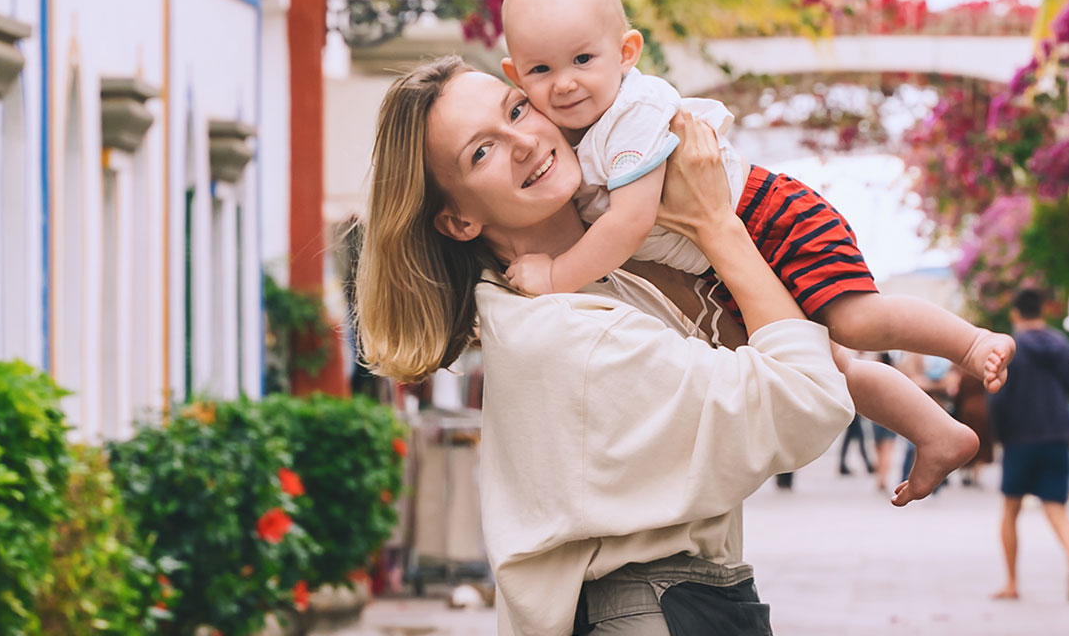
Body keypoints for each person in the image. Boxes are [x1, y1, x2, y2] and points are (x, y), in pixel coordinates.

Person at [352, 56, 847, 636]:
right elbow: (809, 399)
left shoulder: (600, 285)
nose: (522, 141)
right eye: (480, 152)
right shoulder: (574, 335)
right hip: (660, 610)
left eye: (516, 109)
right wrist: (717, 222)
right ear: (458, 220)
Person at [488, 0, 1000, 502]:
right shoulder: (566, 133)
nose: (564, 84)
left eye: (583, 59)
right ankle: (937, 432)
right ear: (515, 77)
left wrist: (555, 275)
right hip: (725, 261)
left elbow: (630, 223)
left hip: (769, 218)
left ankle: (969, 343)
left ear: (626, 52)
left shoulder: (630, 114)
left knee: (856, 320)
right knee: (833, 369)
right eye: (541, 71)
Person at [988, 287, 1069, 602]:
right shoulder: (1062, 346)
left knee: (1010, 510)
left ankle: (1011, 583)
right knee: (1056, 509)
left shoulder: (1013, 349)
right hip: (1057, 437)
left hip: (1020, 438)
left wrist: (1000, 436)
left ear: (1015, 314)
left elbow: (997, 395)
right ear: (1042, 312)